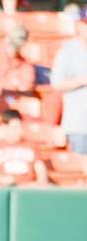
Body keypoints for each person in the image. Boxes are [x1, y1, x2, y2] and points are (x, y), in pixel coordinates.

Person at [50, 9, 87, 154]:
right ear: (79, 25)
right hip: (78, 124)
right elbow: (56, 83)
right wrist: (82, 80)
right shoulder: (67, 50)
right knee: (79, 169)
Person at [0, 109, 48, 187]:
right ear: (5, 127)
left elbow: (41, 171)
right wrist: (2, 180)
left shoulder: (31, 146)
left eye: (20, 127)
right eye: (15, 127)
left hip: (27, 188)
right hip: (3, 188)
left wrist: (39, 185)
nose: (19, 130)